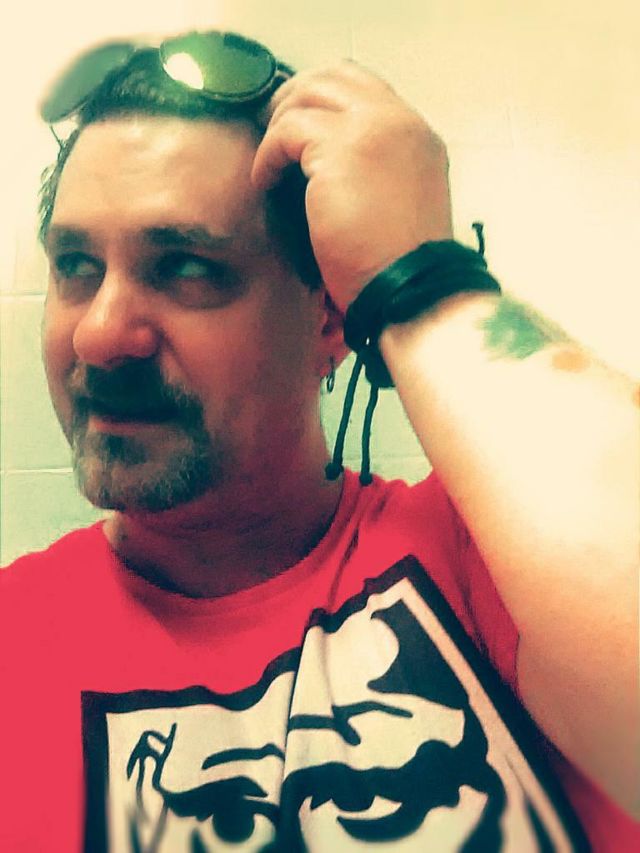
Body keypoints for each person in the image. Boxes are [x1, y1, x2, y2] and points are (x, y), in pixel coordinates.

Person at [0, 30, 637, 852]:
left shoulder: (494, 561)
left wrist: (421, 280)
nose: (98, 333)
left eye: (186, 267)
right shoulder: (15, 640)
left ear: (331, 322)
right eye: (75, 266)